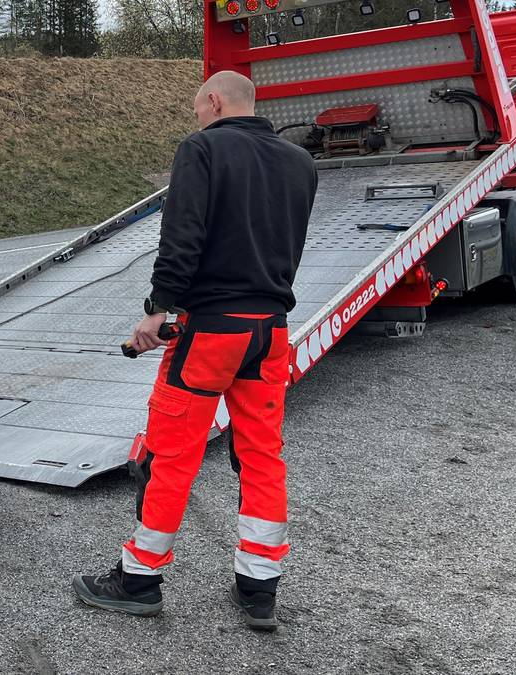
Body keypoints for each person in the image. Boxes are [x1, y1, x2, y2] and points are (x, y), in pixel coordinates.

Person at [72, 71, 318, 630]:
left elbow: (181, 236)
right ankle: (260, 587)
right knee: (261, 454)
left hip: (211, 332)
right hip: (270, 330)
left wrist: (160, 311)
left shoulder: (202, 149)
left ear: (213, 101)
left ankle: (139, 578)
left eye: (197, 110)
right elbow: (291, 244)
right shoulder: (300, 163)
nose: (197, 120)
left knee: (171, 452)